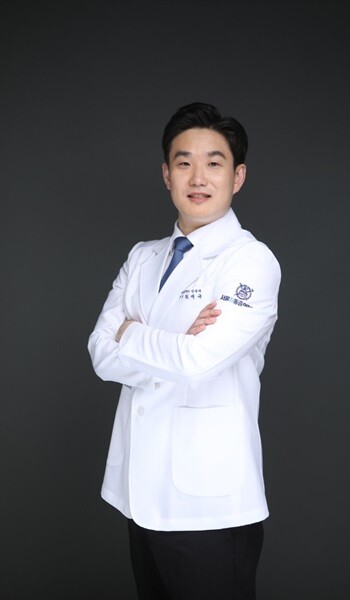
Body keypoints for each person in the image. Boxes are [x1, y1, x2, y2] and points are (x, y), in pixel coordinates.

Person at [87, 102, 281, 599]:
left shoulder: (251, 261)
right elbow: (100, 355)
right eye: (184, 162)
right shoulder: (143, 257)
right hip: (139, 492)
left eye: (214, 163)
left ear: (237, 176)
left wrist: (131, 332)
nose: (198, 177)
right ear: (166, 174)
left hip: (209, 506)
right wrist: (174, 340)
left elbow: (197, 363)